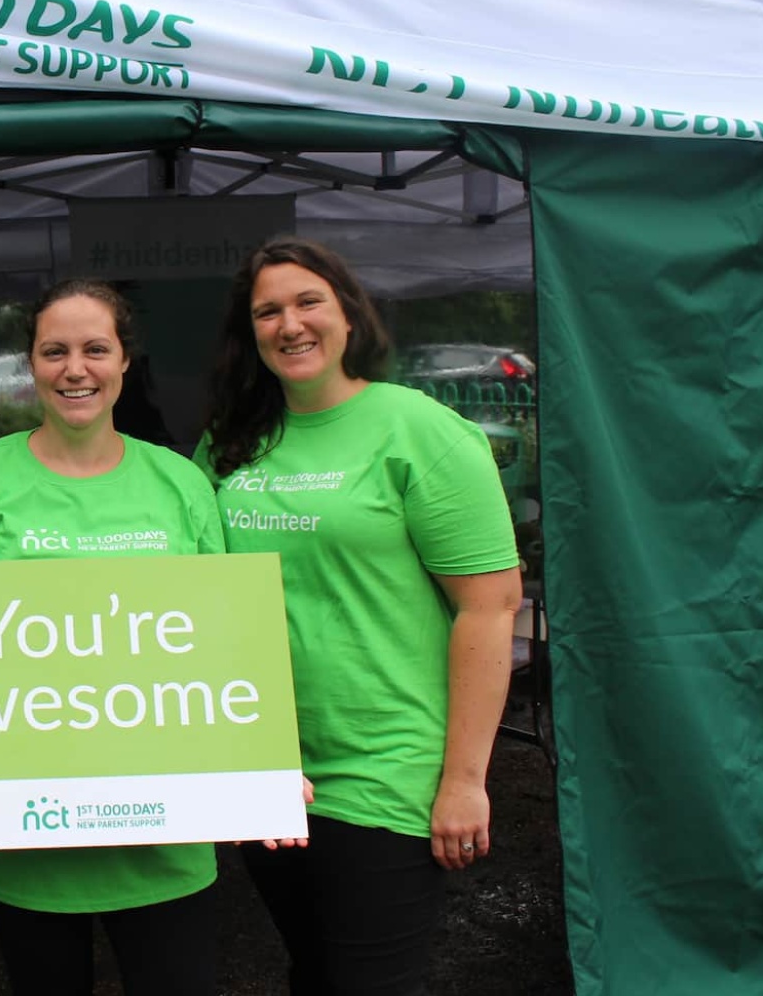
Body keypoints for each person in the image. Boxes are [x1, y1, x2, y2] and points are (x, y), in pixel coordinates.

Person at [197, 238, 522, 996]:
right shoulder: (230, 444)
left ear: (349, 314)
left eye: (308, 301)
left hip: (385, 768)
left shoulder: (422, 431)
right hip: (272, 768)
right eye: (267, 312)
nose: (290, 324)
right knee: (313, 972)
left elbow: (489, 606)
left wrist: (465, 780)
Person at [0, 279, 229, 996]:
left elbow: (220, 645)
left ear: (125, 361)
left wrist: (260, 766)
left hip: (163, 831)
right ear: (31, 363)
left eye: (95, 349)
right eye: (54, 351)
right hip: (25, 832)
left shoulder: (181, 483)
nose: (74, 368)